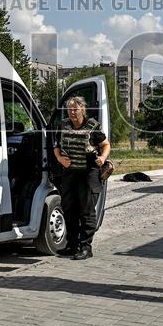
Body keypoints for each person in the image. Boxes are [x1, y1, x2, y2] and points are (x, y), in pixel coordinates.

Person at [54, 96, 110, 260]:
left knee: (86, 211)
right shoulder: (63, 126)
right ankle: (72, 245)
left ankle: (86, 247)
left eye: (75, 109)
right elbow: (56, 147)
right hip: (70, 173)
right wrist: (59, 159)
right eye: (69, 109)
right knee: (69, 209)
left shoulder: (93, 126)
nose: (71, 112)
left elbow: (106, 145)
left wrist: (103, 158)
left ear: (82, 109)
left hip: (88, 173)